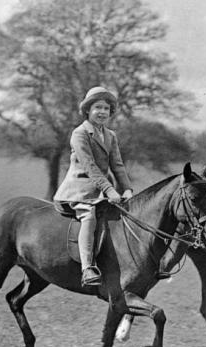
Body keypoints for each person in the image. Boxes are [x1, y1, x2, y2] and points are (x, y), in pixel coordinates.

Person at [53, 86, 133, 287]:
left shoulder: (110, 135)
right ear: (88, 110)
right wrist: (110, 190)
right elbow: (90, 166)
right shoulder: (79, 133)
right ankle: (87, 268)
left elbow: (118, 165)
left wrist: (127, 188)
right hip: (79, 192)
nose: (102, 112)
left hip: (102, 191)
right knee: (88, 217)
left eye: (106, 108)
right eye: (98, 107)